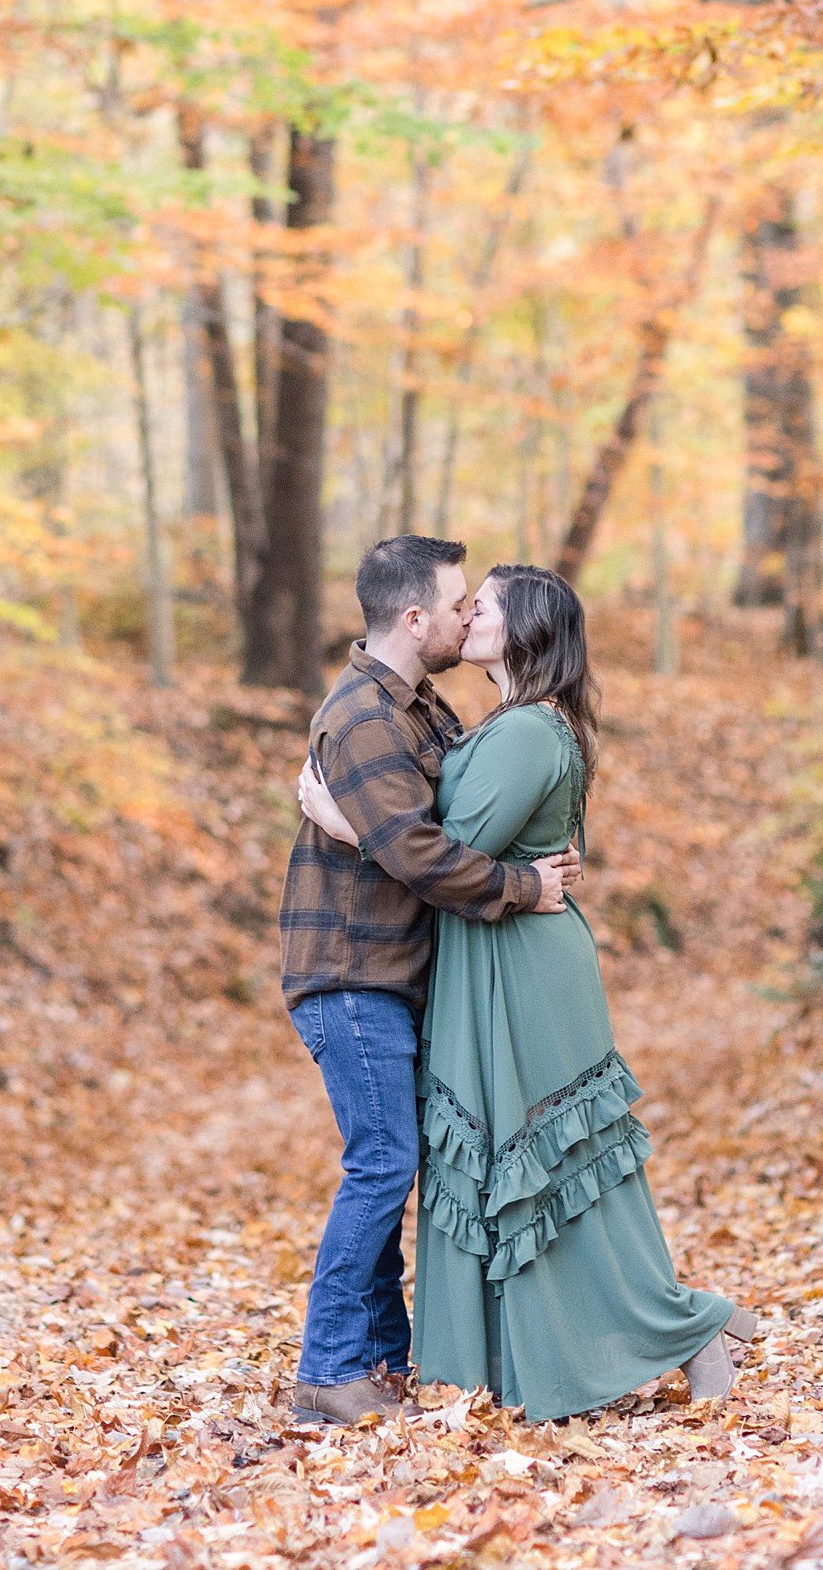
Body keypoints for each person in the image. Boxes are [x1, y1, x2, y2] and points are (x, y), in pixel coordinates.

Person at [298, 563, 757, 1423]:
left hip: (521, 970)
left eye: (486, 607)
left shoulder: (525, 734)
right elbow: (450, 838)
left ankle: (687, 1326)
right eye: (462, 603)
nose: (468, 615)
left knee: (550, 1171)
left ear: (525, 632)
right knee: (522, 1175)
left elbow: (443, 849)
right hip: (495, 959)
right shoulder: (498, 723)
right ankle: (580, 1349)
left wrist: (344, 824)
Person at [278, 535, 581, 1429]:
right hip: (349, 975)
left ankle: (375, 1360)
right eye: (457, 604)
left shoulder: (419, 707)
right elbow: (419, 852)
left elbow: (454, 817)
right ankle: (328, 1368)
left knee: (389, 1163)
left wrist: (536, 848)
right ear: (414, 619)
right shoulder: (364, 715)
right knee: (381, 1166)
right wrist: (527, 889)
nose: (465, 616)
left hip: (393, 974)